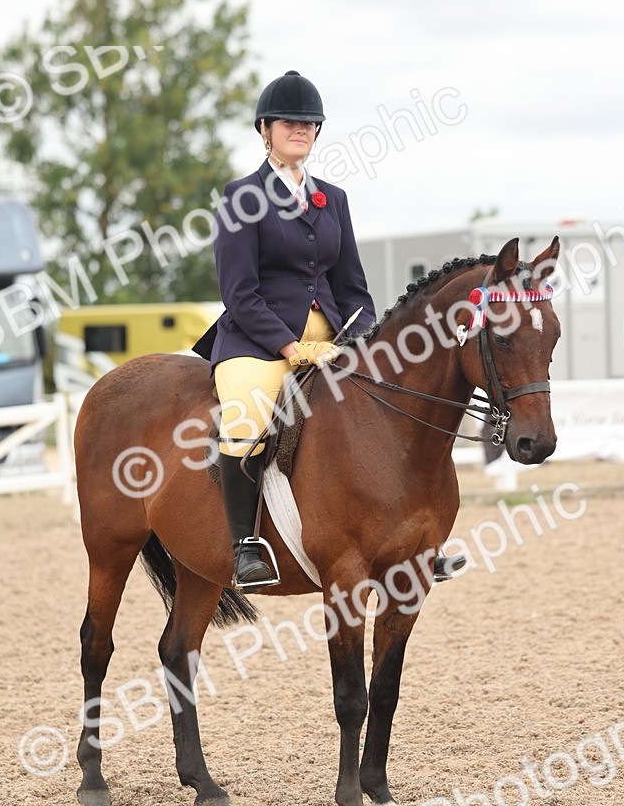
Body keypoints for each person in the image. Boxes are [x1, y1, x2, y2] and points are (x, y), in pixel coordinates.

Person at [193, 70, 463, 589]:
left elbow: (353, 285)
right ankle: (245, 543)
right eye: (290, 122)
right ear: (265, 129)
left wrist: (362, 342)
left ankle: (414, 543)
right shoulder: (239, 197)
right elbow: (239, 292)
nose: (301, 129)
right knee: (248, 416)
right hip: (258, 341)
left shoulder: (332, 199)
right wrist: (287, 345)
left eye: (309, 123)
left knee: (390, 411)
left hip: (330, 342)